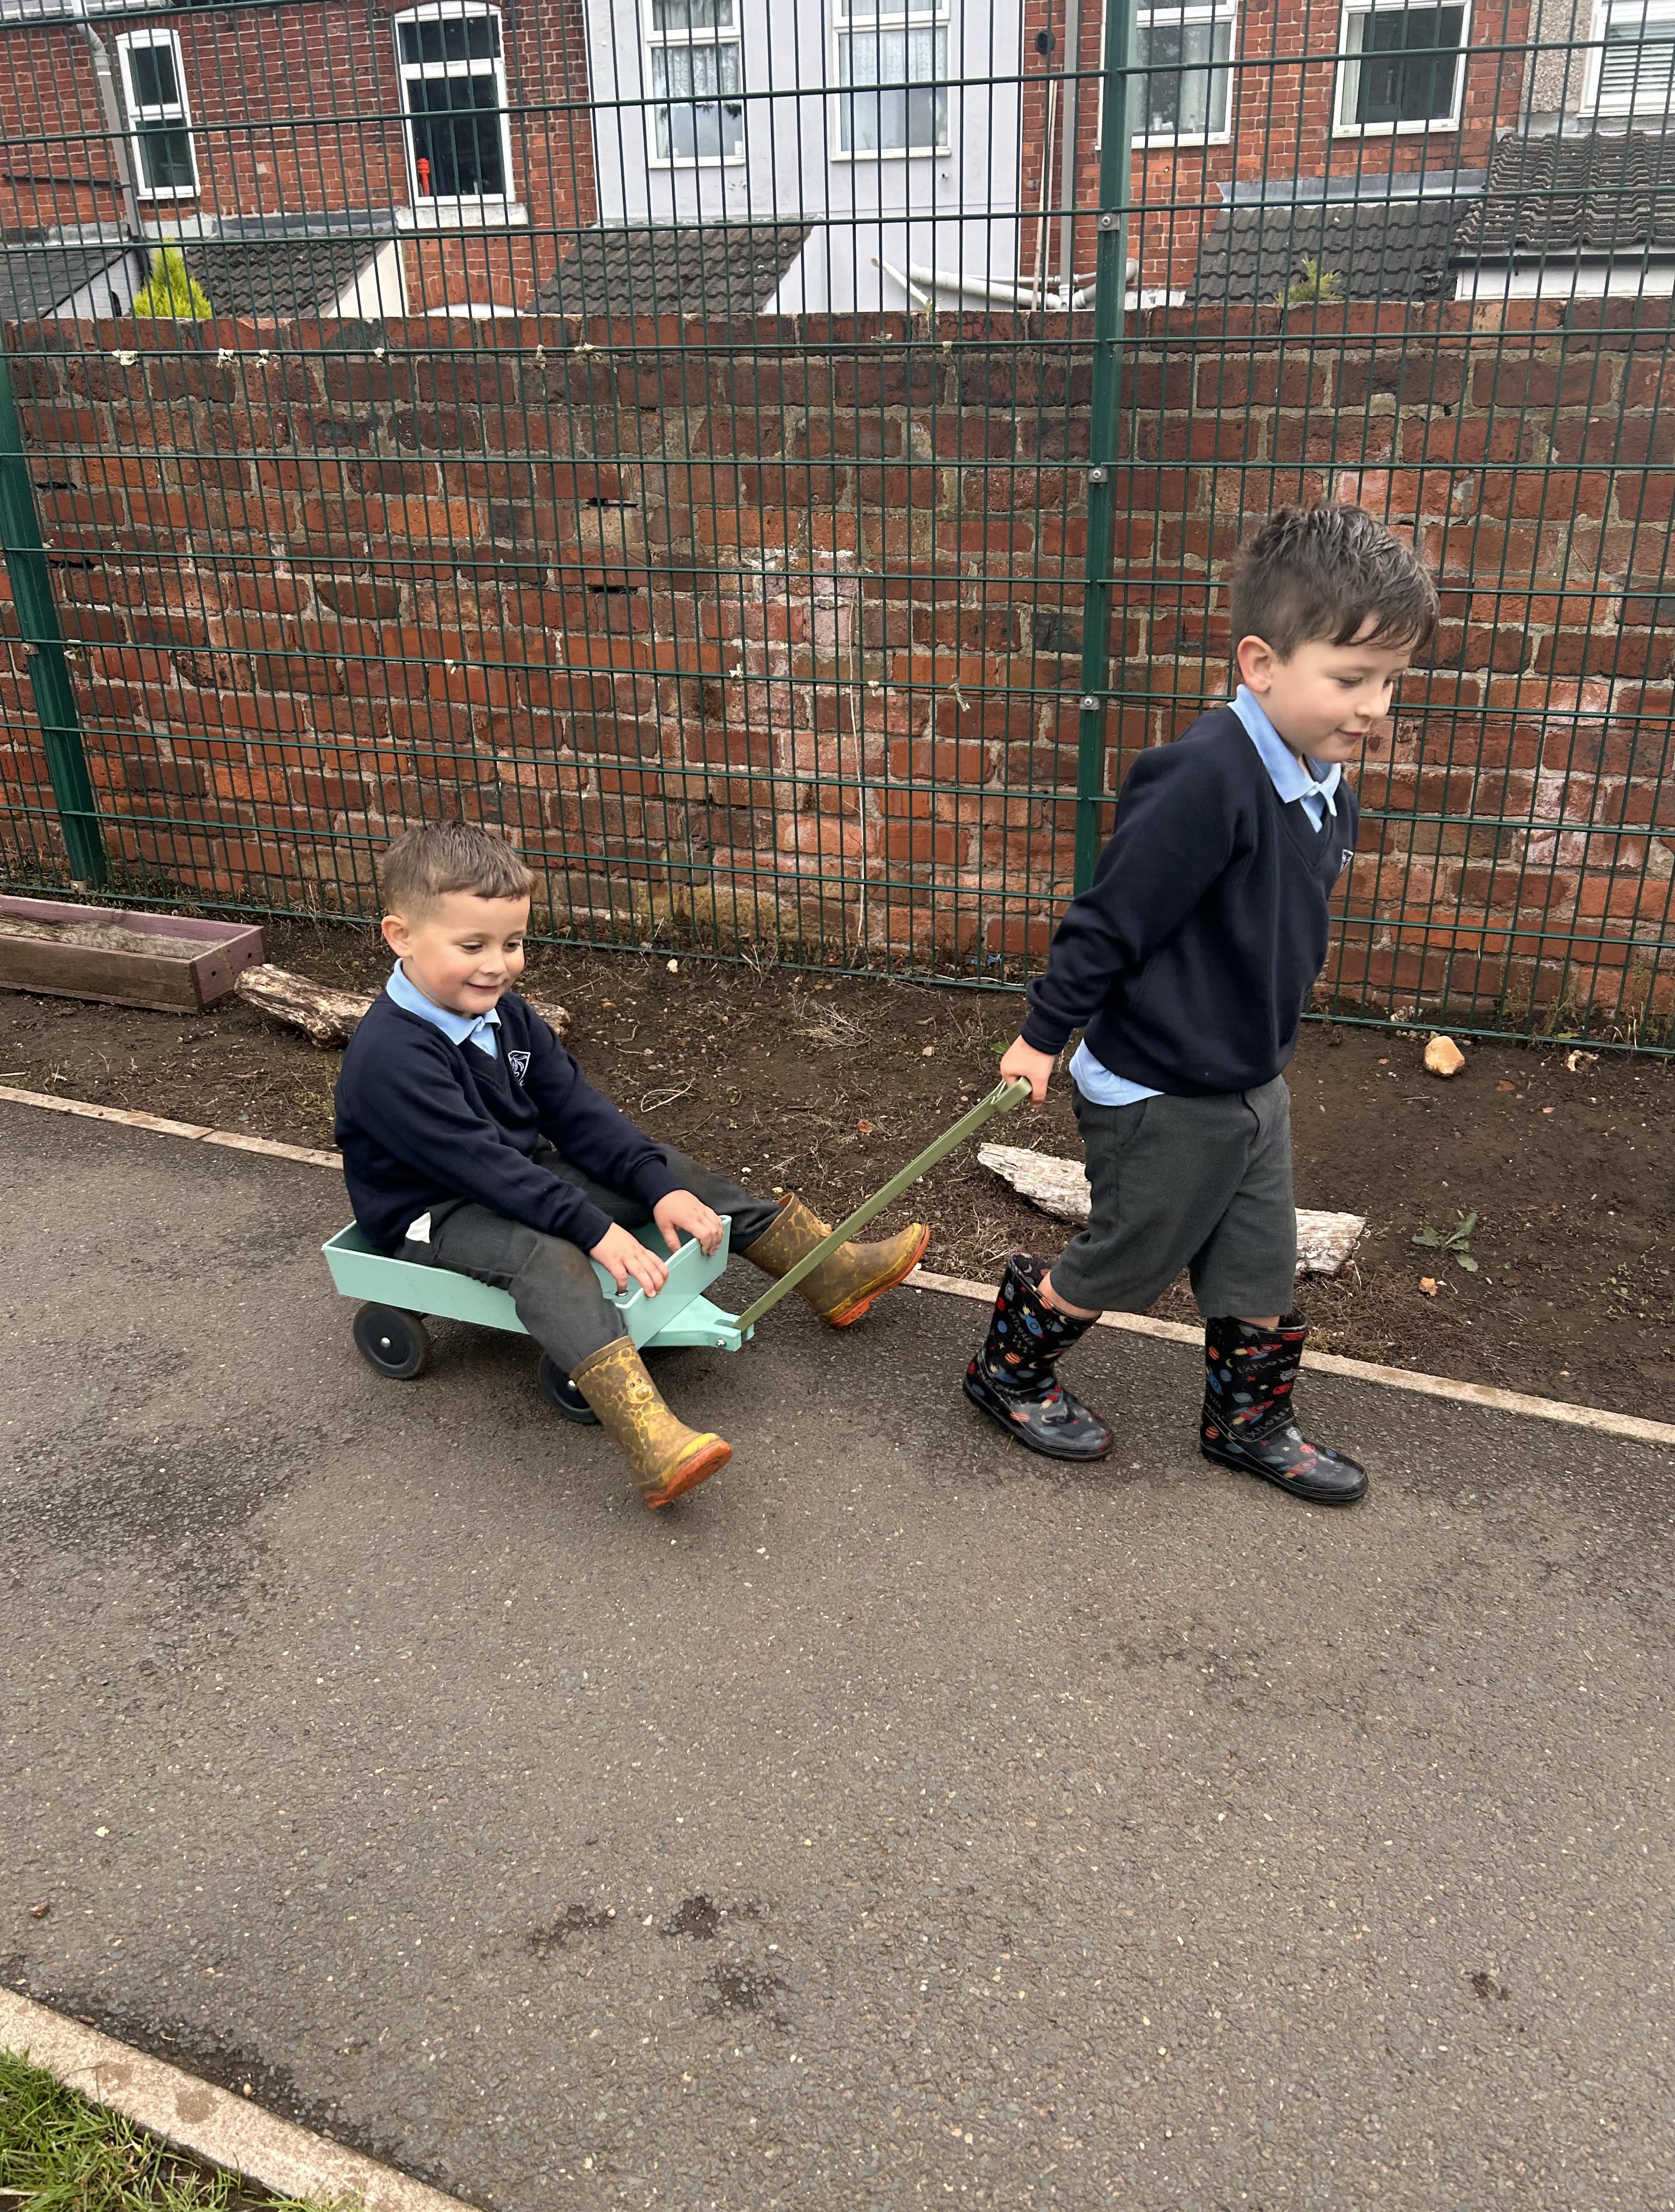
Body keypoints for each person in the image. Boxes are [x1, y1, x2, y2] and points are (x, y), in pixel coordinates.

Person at [965, 504, 1439, 1506]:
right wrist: (1041, 1036)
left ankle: (1247, 1420)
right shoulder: (1202, 778)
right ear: (1260, 663)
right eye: (1350, 678)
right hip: (1158, 1083)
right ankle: (1008, 1368)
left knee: (1259, 1260)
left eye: (1390, 681)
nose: (1373, 706)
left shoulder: (1323, 781)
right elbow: (1110, 917)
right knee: (1130, 1250)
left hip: (1249, 1077)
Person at [334, 823, 929, 1510]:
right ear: (401, 936)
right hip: (432, 1211)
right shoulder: (393, 1057)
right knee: (547, 1256)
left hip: (515, 1176)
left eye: (513, 943)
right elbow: (481, 1168)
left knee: (667, 1175)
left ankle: (828, 1271)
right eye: (473, 946)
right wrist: (594, 1230)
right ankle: (650, 1437)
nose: (497, 965)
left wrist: (655, 1186)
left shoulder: (506, 1016)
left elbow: (579, 1115)